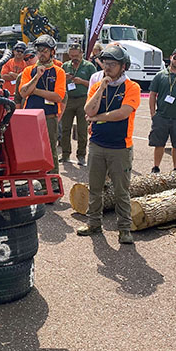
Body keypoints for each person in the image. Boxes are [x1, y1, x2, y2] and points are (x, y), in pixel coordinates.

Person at [76, 44, 141, 244]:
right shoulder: (97, 85)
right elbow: (89, 109)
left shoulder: (132, 87)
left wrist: (97, 118)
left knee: (121, 191)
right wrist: (101, 87)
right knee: (95, 187)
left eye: (113, 64)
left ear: (123, 66)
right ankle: (93, 223)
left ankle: (124, 229)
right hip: (97, 144)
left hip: (120, 147)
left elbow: (122, 113)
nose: (108, 67)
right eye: (106, 63)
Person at [19, 35, 66, 174]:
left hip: (49, 116)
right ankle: (33, 180)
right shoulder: (28, 70)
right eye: (39, 51)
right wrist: (36, 77)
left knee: (50, 150)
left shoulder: (59, 72)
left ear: (52, 52)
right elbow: (23, 92)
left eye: (45, 51)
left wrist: (35, 91)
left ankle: (53, 181)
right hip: (30, 117)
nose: (41, 54)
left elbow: (58, 96)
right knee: (31, 148)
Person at [60, 42, 97, 166]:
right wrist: (64, 78)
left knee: (82, 129)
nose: (74, 58)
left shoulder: (89, 66)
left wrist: (82, 81)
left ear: (81, 54)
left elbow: (95, 85)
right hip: (68, 100)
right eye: (71, 55)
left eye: (76, 55)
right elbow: (58, 83)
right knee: (65, 128)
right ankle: (65, 154)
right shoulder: (65, 66)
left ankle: (81, 155)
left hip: (83, 100)